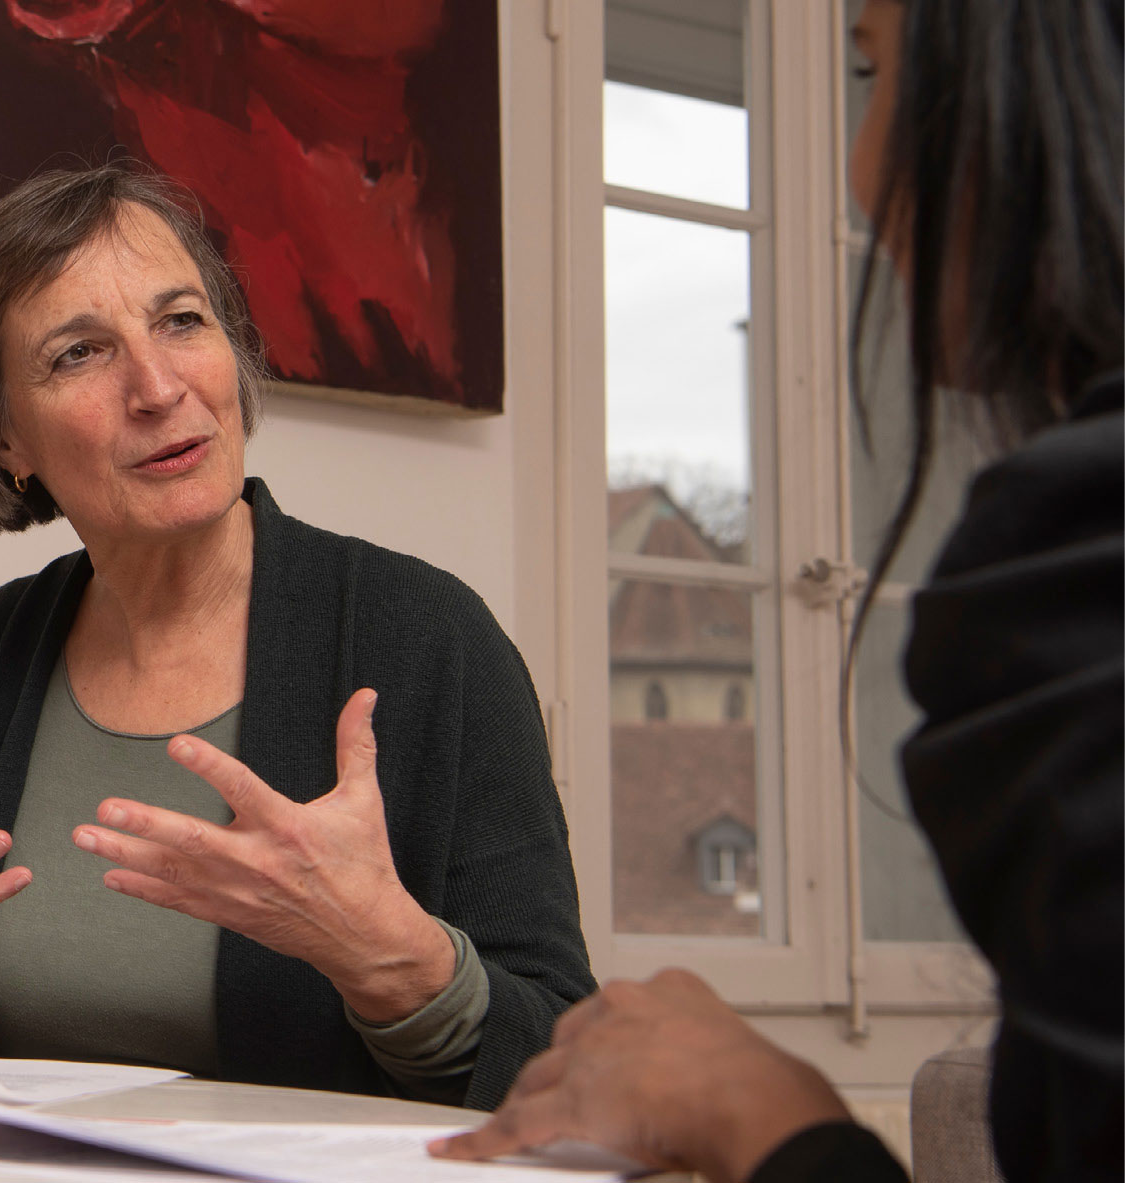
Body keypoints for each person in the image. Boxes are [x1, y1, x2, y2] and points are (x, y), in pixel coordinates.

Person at [434, 1, 1119, 1179]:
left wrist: (769, 1118)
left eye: (871, 69)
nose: (858, 170)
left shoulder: (1073, 554)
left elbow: (525, 1006)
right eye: (88, 349)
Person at [0, 165, 595, 1109]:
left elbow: (564, 1062)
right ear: (6, 438)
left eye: (180, 321)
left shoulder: (427, 636)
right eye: (78, 353)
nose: (158, 386)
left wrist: (397, 961)